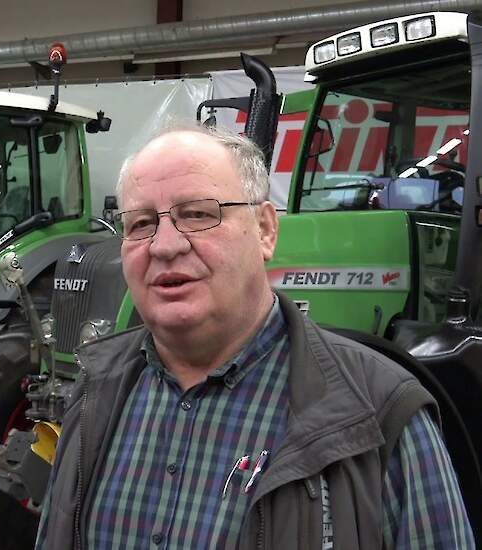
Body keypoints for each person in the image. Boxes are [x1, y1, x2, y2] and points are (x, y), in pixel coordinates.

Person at [34, 125, 475, 550]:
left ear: (265, 230)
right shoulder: (95, 394)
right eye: (141, 223)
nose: (164, 245)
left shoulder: (381, 415)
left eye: (198, 214)